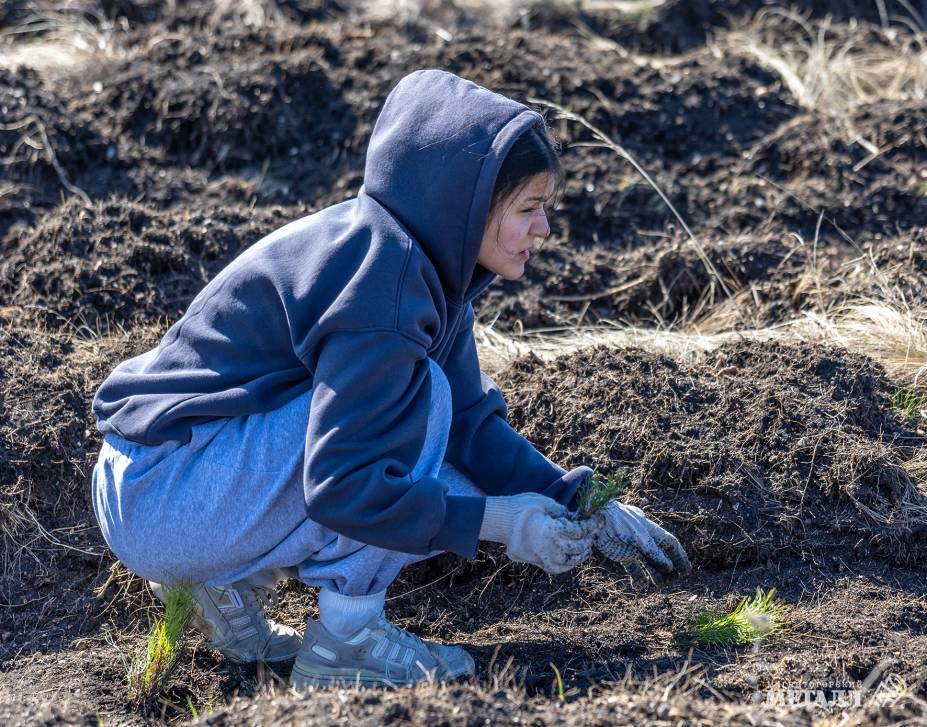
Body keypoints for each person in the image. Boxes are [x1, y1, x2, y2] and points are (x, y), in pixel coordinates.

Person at [90, 69, 691, 689]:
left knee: (440, 453)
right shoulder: (385, 288)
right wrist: (502, 522)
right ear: (467, 204)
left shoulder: (405, 255)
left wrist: (580, 500)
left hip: (160, 478)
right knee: (419, 405)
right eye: (529, 209)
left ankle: (222, 581)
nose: (544, 229)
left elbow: (469, 427)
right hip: (165, 496)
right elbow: (343, 486)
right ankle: (347, 640)